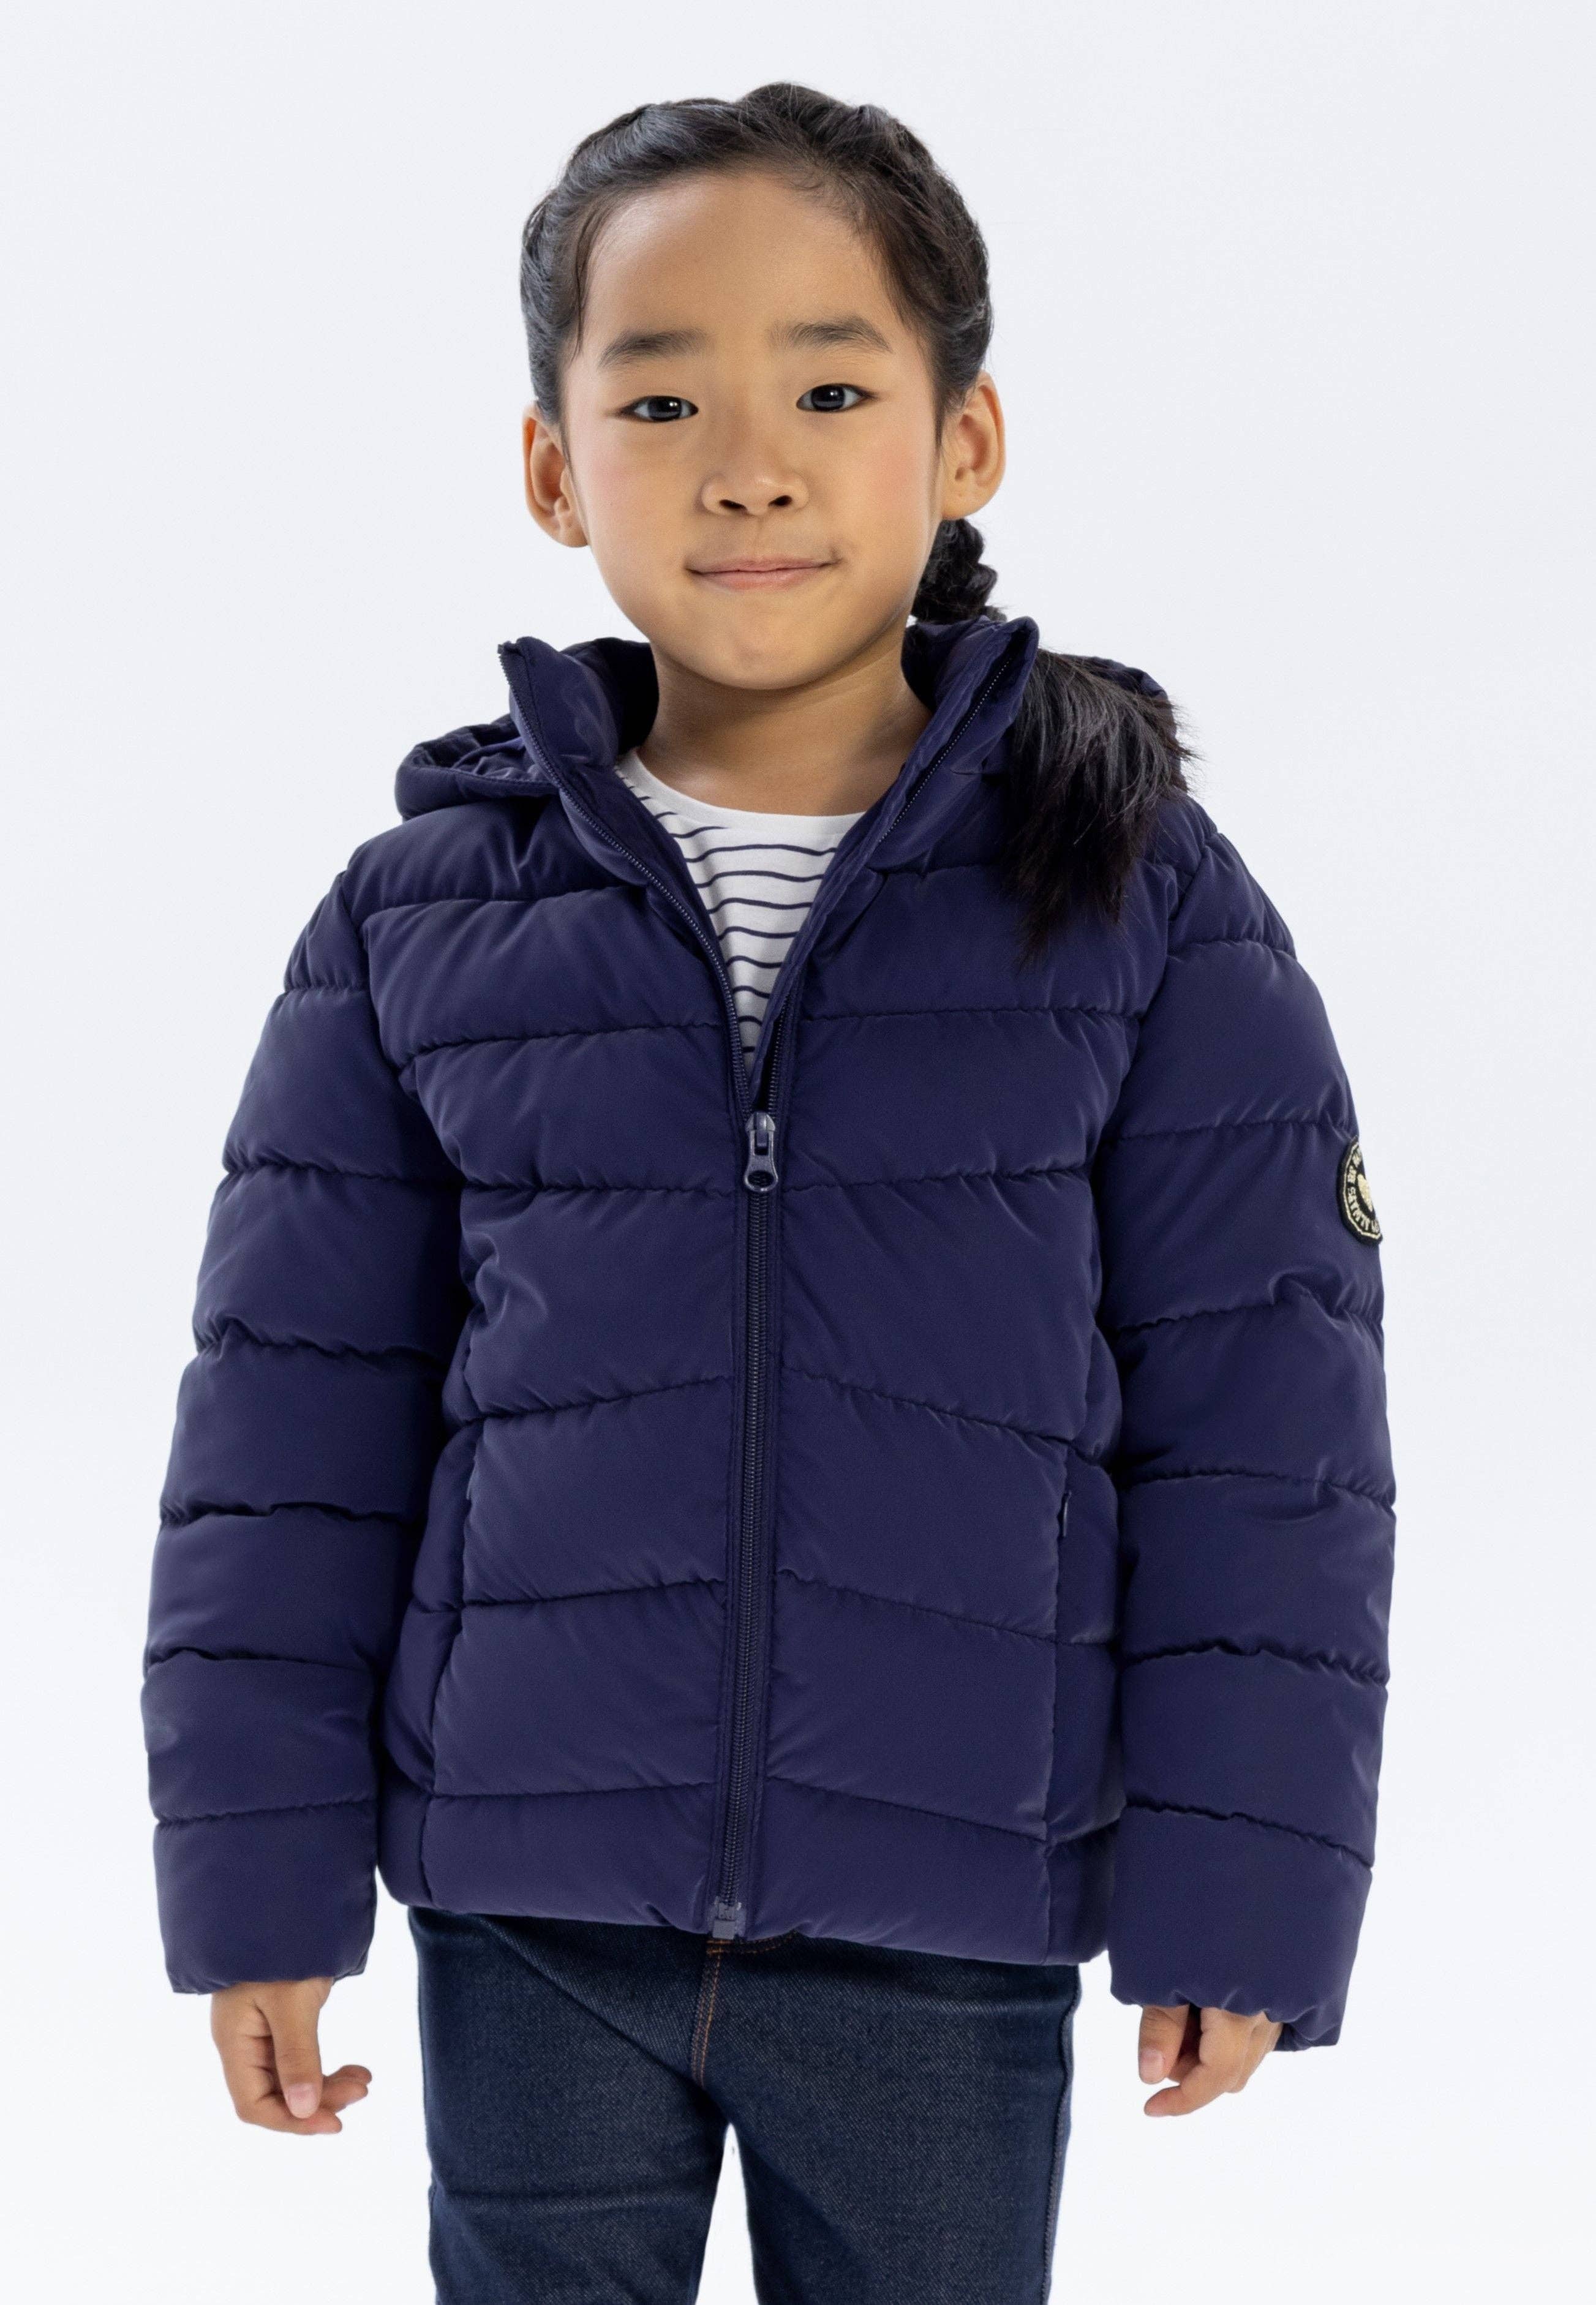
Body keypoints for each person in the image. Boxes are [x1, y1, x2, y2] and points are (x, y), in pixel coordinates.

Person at [141, 82, 1396, 2304]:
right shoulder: (420, 918)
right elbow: (287, 1438)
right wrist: (260, 1883)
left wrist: (1244, 1891)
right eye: (660, 401)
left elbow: (1267, 1442)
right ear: (555, 468)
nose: (749, 465)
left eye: (830, 388)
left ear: (963, 439)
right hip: (532, 1906)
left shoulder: (1136, 902)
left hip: (945, 1917)